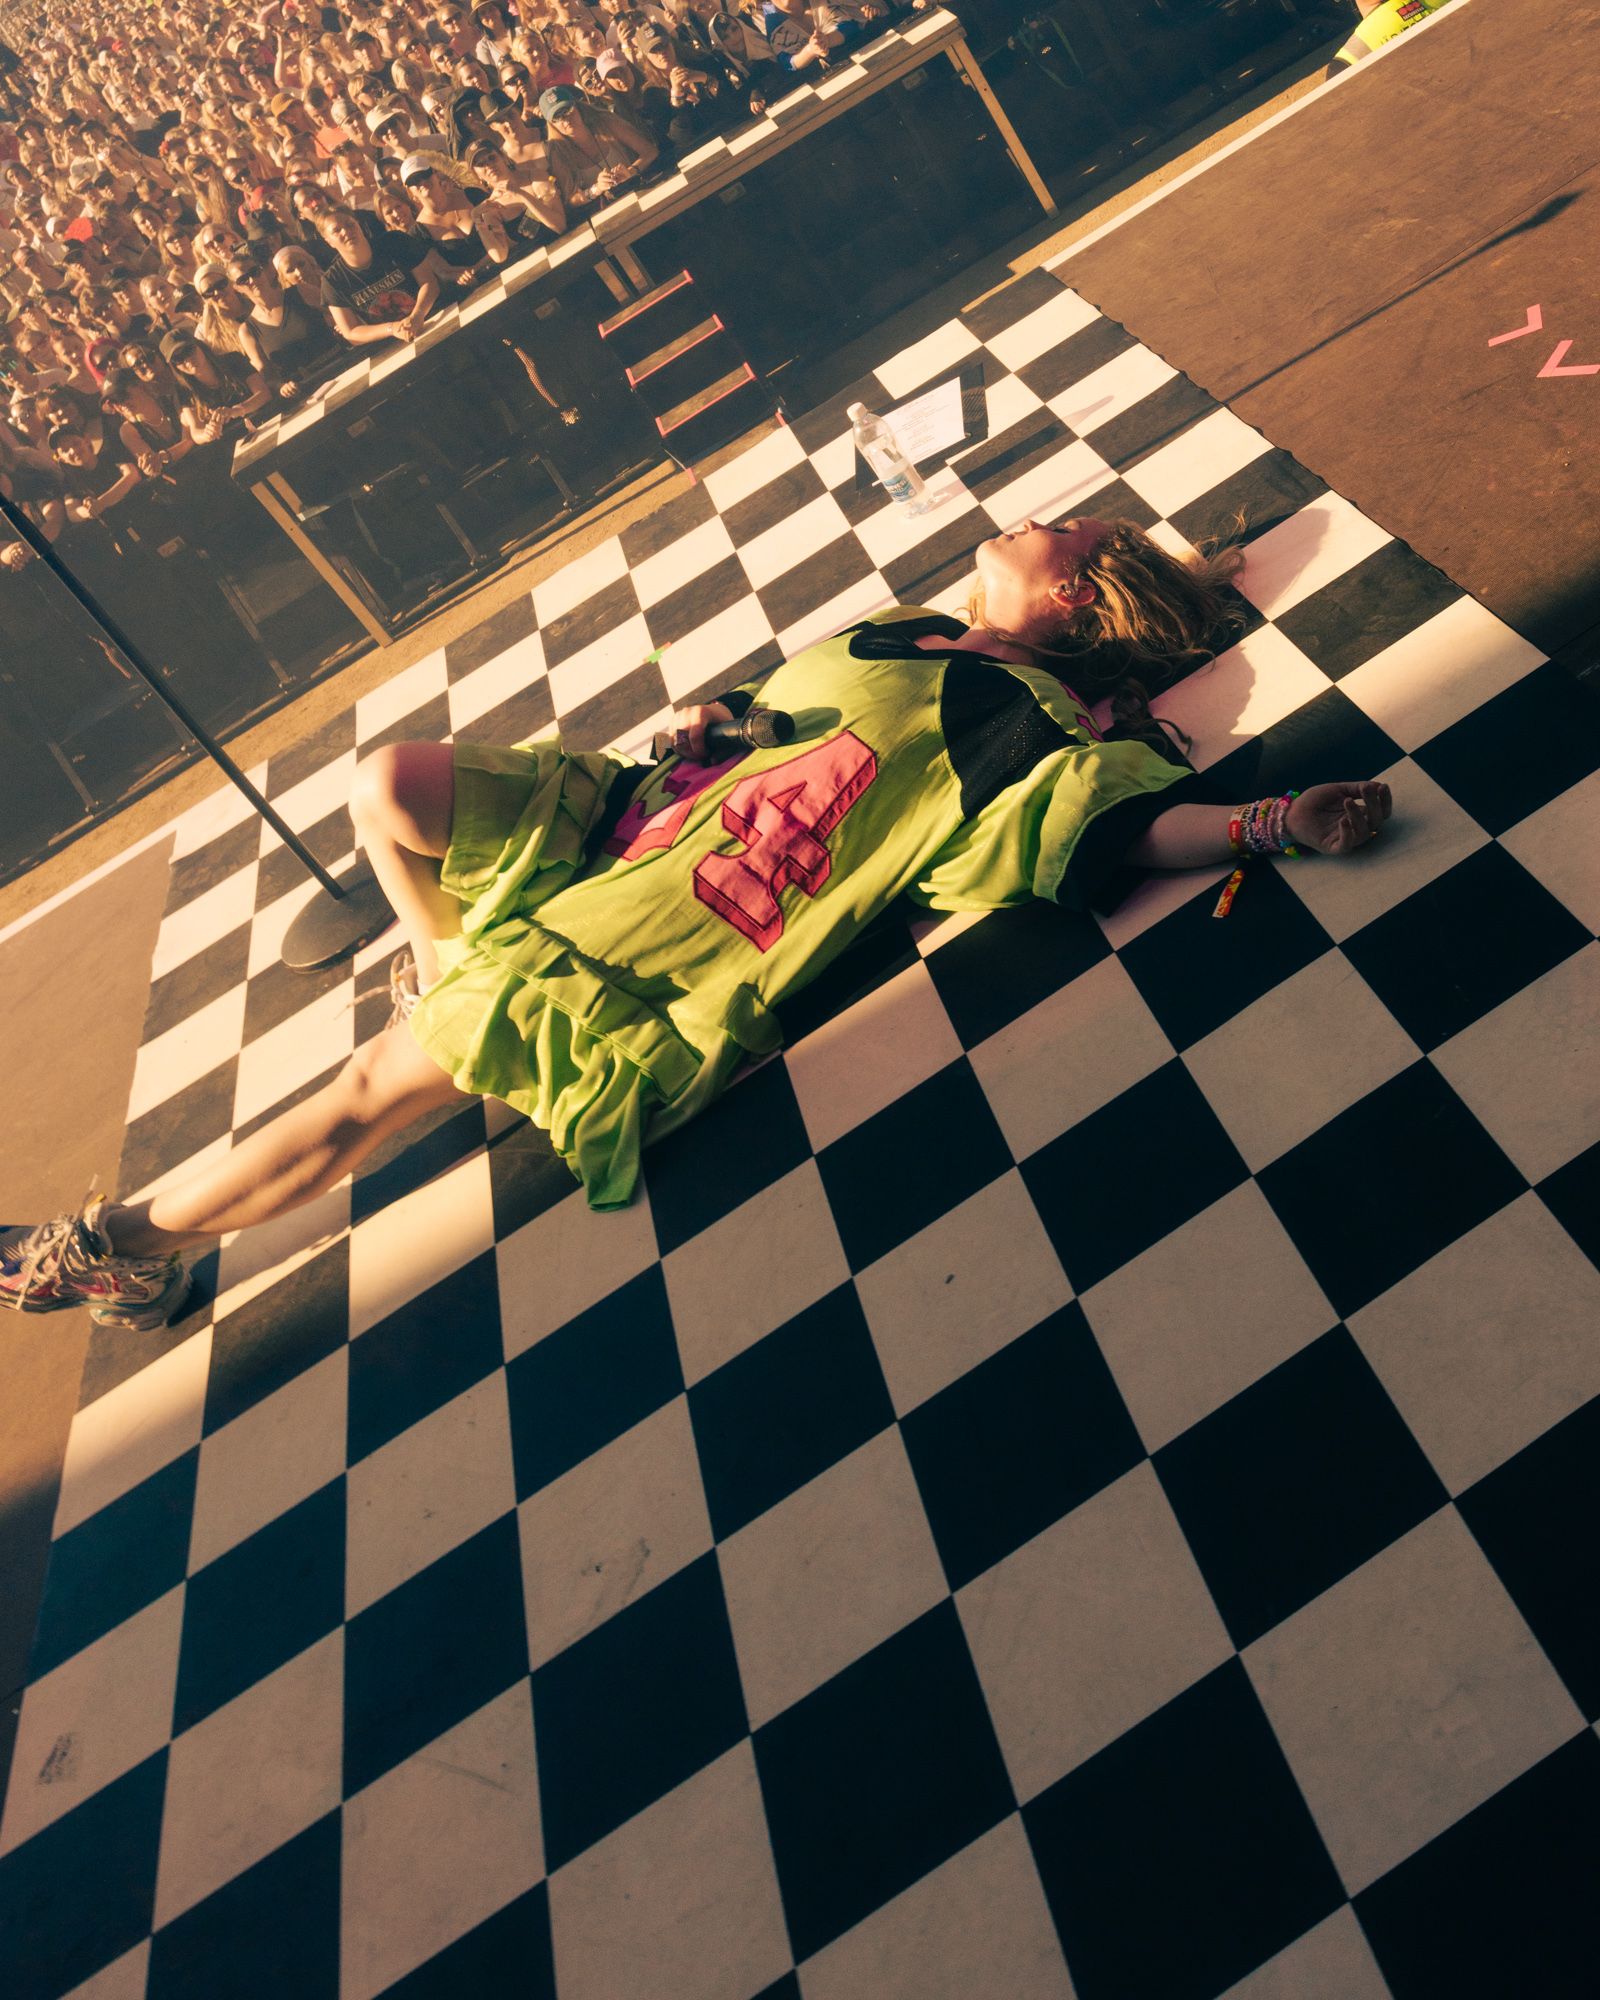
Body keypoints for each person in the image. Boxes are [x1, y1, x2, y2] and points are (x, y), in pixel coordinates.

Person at [0, 518, 1392, 1330]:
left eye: (1062, 532)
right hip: (642, 811)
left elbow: (1106, 830)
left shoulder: (1018, 717)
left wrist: (1272, 821)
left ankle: (120, 1249)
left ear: (1071, 594)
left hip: (678, 917)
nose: (1030, 519)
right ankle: (444, 969)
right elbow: (786, 710)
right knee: (386, 788)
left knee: (368, 1092)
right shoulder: (917, 627)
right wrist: (717, 721)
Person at [316, 202, 455, 344]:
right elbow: (350, 332)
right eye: (336, 230)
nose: (346, 231)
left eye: (349, 225)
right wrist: (392, 329)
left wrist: (417, 316)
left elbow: (429, 283)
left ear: (359, 225)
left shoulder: (395, 241)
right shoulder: (332, 281)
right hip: (392, 344)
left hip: (435, 318)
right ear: (329, 242)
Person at [539, 82, 655, 211]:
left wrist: (630, 172)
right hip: (610, 210)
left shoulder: (605, 122)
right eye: (557, 117)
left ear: (576, 106)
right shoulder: (559, 153)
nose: (566, 119)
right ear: (551, 124)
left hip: (644, 190)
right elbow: (570, 200)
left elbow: (650, 151)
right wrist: (597, 188)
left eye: (567, 110)